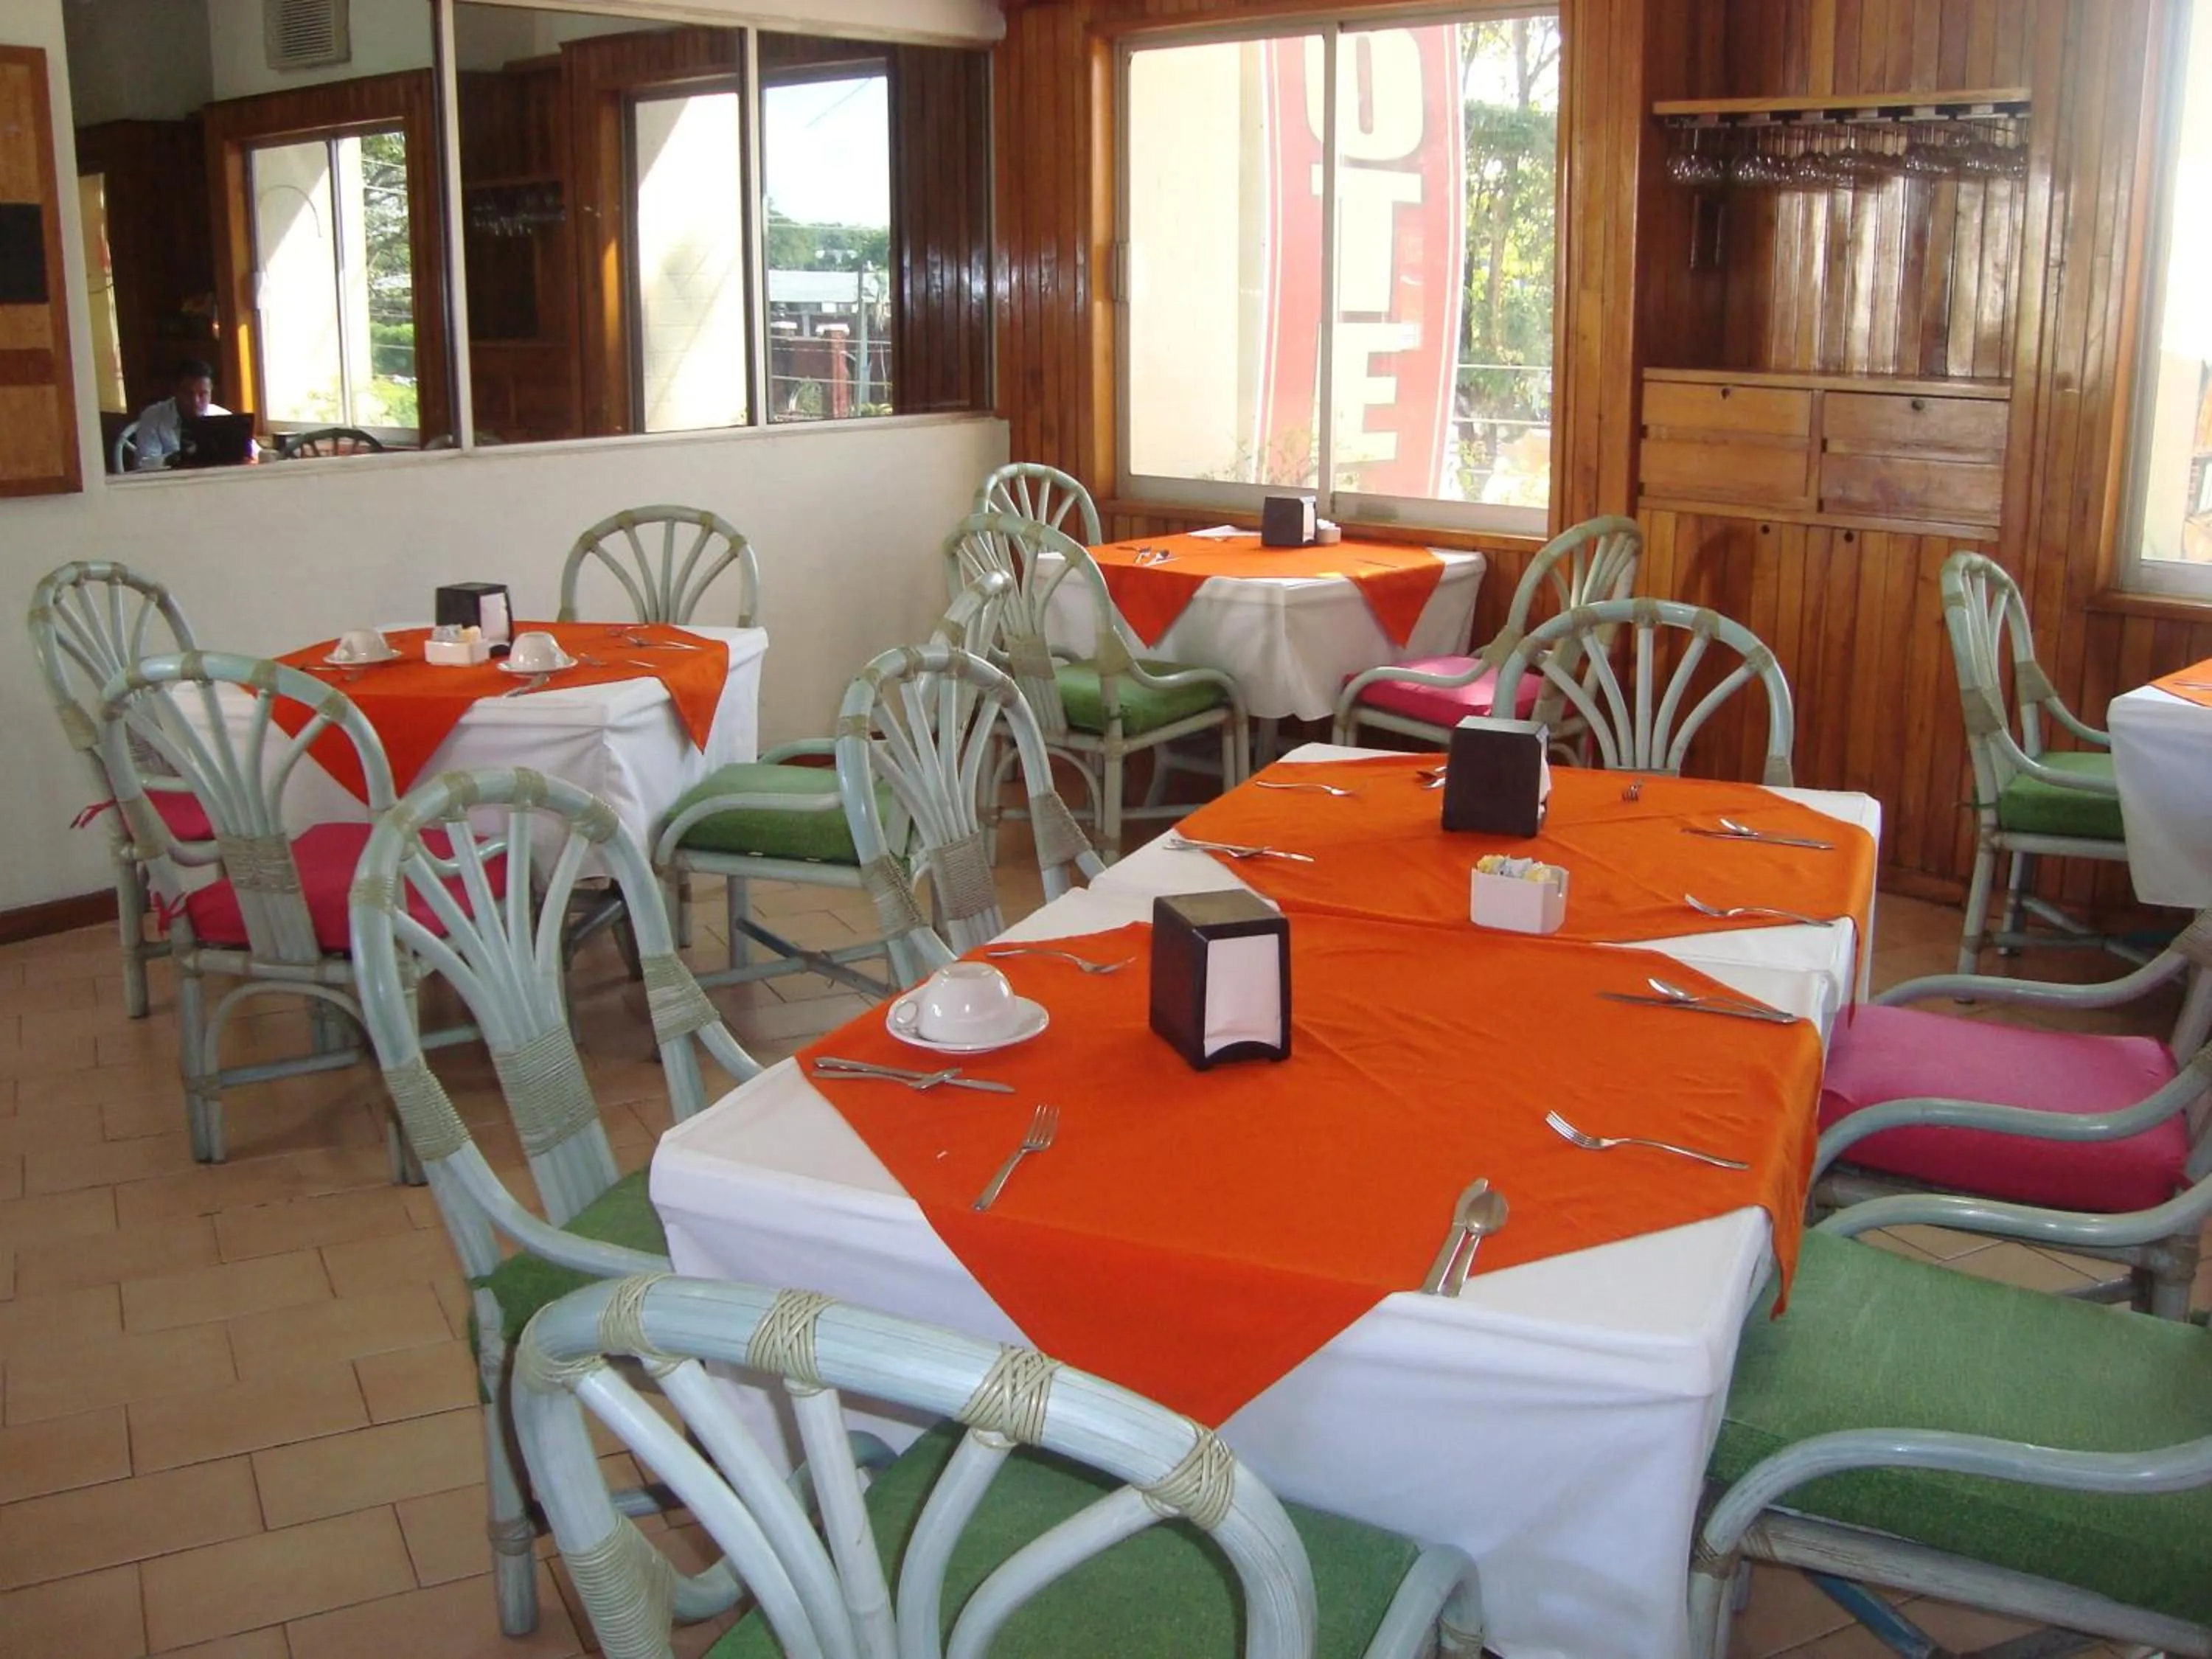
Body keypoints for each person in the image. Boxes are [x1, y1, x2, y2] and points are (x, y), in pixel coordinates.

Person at [129, 360, 256, 470]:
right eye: (188, 394)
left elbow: (256, 454)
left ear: (211, 392)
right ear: (176, 391)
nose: (195, 401)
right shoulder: (153, 417)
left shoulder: (223, 418)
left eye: (203, 394)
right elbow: (143, 465)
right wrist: (174, 459)